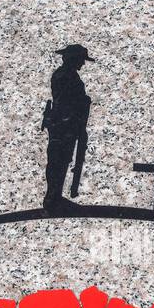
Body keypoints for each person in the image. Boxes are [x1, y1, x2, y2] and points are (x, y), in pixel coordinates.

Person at [41, 44, 93, 209]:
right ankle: (53, 197)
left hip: (67, 124)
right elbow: (66, 101)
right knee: (58, 160)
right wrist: (82, 103)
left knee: (62, 160)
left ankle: (55, 196)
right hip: (63, 124)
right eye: (80, 60)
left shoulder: (68, 75)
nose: (82, 64)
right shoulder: (65, 76)